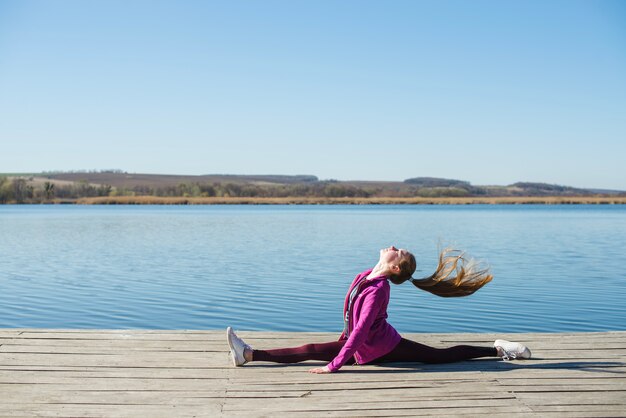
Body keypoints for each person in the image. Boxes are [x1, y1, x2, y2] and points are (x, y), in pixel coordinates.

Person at [226, 246, 531, 373]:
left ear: (395, 265)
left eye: (398, 250)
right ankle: (248, 355)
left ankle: (499, 350)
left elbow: (361, 330)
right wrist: (344, 337)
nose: (392, 245)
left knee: (440, 356)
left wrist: (334, 366)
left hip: (383, 347)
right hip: (360, 342)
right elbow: (352, 317)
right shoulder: (365, 276)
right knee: (309, 347)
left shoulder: (378, 290)